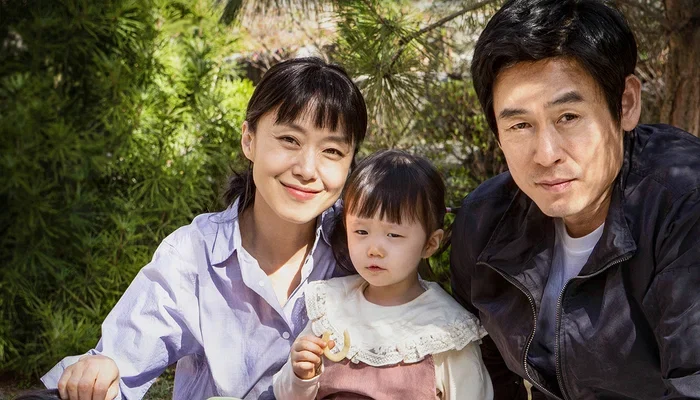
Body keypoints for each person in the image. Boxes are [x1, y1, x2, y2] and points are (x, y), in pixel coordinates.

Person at [40, 57, 368, 400]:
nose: (307, 169)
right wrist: (101, 371)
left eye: (332, 150)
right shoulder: (193, 255)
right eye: (289, 139)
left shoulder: (363, 250)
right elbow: (120, 362)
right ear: (249, 140)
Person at [450, 0, 700, 399]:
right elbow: (481, 359)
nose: (546, 154)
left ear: (626, 103)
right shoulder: (483, 221)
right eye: (520, 125)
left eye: (568, 117)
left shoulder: (683, 203)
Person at [272, 150, 494, 400]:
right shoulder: (332, 305)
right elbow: (286, 394)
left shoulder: (447, 329)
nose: (374, 249)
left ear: (430, 244)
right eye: (361, 232)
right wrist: (301, 375)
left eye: (393, 235)